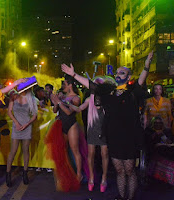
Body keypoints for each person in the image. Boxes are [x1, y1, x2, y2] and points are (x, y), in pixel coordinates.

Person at [61, 51, 154, 200]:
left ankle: (129, 198)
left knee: (129, 170)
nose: (118, 75)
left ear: (128, 77)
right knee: (119, 169)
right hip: (114, 137)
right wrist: (74, 75)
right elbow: (92, 86)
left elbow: (142, 79)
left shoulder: (133, 92)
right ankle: (122, 196)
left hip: (130, 138)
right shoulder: (108, 92)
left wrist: (147, 64)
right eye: (117, 72)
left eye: (122, 73)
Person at [68, 76, 117, 192]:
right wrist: (66, 103)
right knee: (91, 154)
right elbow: (79, 109)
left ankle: (104, 178)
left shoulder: (107, 98)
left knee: (104, 154)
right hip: (92, 128)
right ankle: (91, 178)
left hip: (104, 129)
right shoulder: (89, 99)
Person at [6, 89, 38, 187]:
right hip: (16, 127)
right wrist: (16, 122)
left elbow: (34, 115)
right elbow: (9, 112)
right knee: (13, 151)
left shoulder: (31, 99)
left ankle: (25, 173)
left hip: (26, 127)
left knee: (25, 150)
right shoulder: (14, 97)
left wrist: (27, 124)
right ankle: (8, 174)